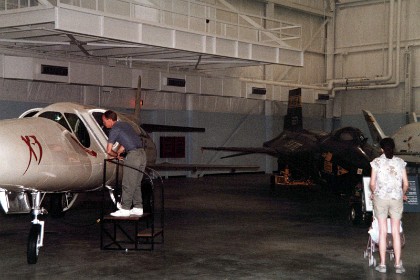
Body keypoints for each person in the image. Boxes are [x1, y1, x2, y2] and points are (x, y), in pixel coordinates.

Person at [369, 137, 408, 274]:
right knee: (396, 232)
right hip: (396, 199)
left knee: (382, 231)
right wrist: (402, 193)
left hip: (381, 199)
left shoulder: (376, 162)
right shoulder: (400, 162)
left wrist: (374, 193)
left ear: (381, 149)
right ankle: (398, 265)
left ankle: (383, 264)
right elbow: (406, 184)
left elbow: (372, 184)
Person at [102, 110, 147, 217]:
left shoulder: (114, 129)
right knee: (136, 183)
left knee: (127, 183)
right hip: (142, 154)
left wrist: (115, 155)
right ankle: (138, 207)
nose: (103, 123)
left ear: (109, 120)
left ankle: (125, 208)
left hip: (133, 156)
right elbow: (125, 142)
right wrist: (118, 153)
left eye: (104, 121)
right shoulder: (125, 125)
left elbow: (108, 150)